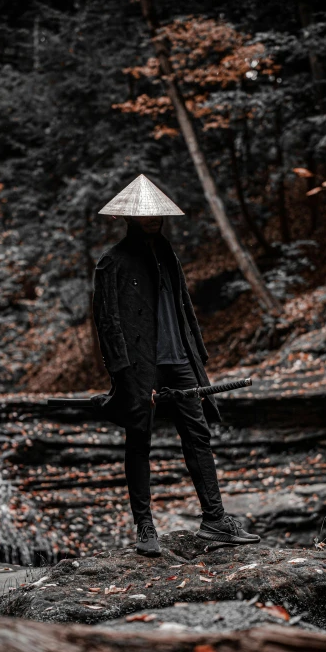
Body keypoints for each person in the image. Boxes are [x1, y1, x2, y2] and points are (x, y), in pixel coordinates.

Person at [93, 174, 260, 556]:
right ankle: (144, 525)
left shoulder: (168, 255)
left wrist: (196, 355)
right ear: (129, 217)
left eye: (156, 214)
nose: (152, 219)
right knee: (139, 440)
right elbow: (108, 324)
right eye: (144, 215)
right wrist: (126, 375)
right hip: (141, 366)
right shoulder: (112, 263)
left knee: (198, 435)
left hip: (180, 358)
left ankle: (214, 520)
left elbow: (183, 310)